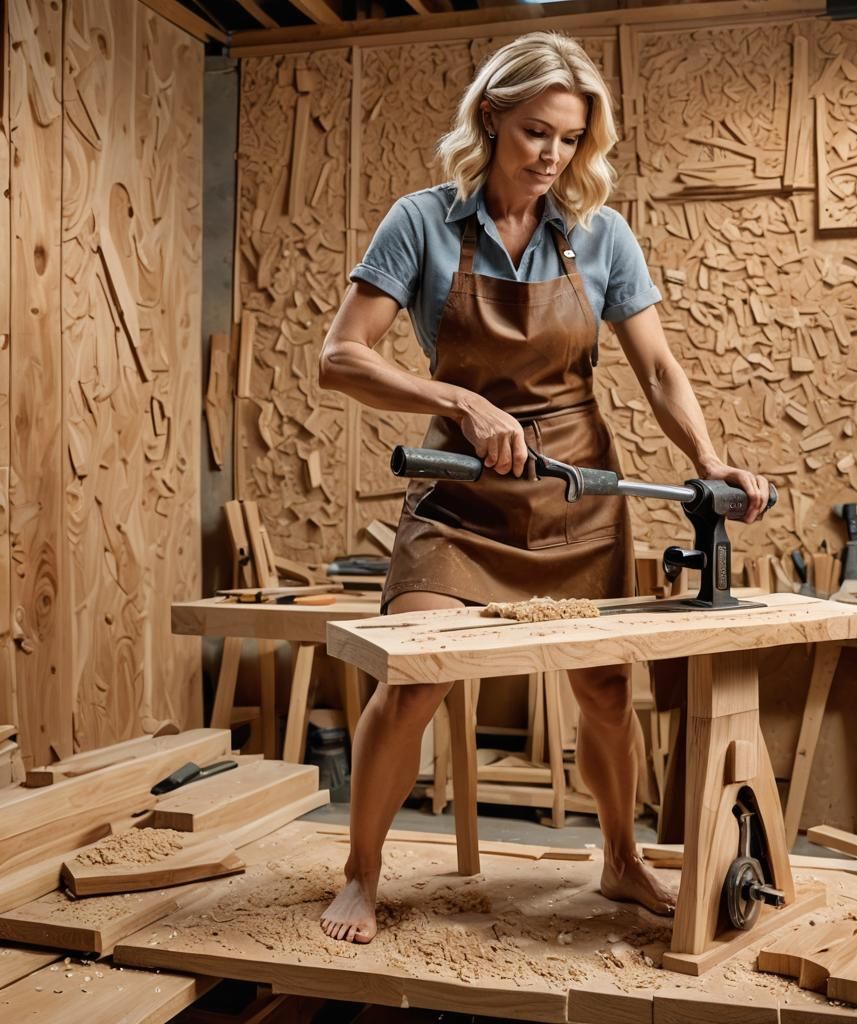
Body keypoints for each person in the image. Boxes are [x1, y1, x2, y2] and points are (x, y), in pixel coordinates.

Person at [317, 31, 771, 945]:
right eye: (535, 133)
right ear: (490, 118)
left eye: (569, 138)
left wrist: (710, 457)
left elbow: (658, 370)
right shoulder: (421, 222)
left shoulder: (598, 233)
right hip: (459, 491)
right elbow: (340, 358)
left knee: (606, 692)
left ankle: (620, 860)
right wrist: (459, 400)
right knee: (409, 682)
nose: (553, 156)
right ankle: (361, 873)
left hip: (576, 489)